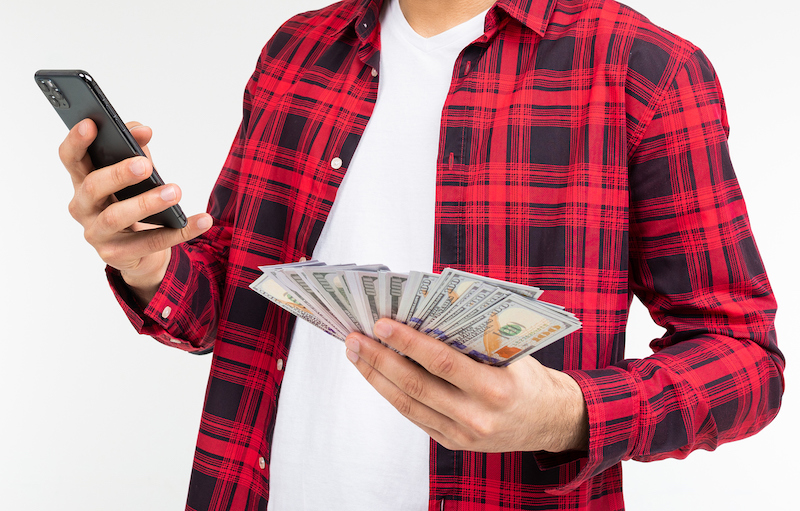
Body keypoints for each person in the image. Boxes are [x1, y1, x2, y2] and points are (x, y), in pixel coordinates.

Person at [57, 0, 784, 509]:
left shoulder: (646, 72)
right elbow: (232, 305)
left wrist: (570, 414)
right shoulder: (297, 50)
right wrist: (147, 261)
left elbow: (745, 356)